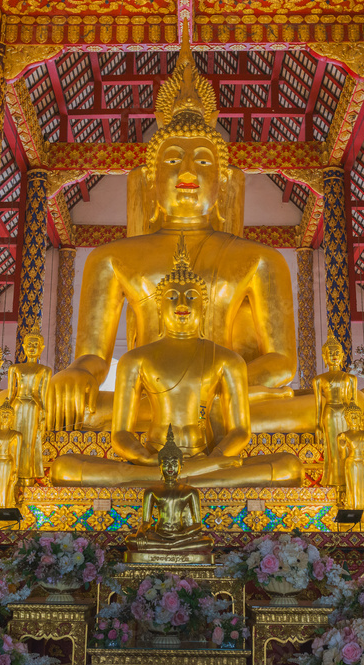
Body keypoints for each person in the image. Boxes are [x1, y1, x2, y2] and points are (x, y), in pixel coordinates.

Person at [48, 24, 299, 433]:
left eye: (202, 161)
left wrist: (211, 386)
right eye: (171, 160)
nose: (186, 172)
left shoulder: (259, 259)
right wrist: (78, 373)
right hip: (146, 401)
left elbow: (281, 364)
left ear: (222, 183)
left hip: (222, 399)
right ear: (150, 181)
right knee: (52, 410)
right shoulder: (111, 258)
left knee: (324, 408)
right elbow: (94, 358)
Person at [50, 238, 302, 487]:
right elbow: (120, 433)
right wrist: (145, 458)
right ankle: (200, 478)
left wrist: (215, 455)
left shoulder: (228, 360)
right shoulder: (135, 360)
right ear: (159, 308)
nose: (182, 304)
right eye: (172, 297)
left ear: (203, 307)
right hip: (157, 456)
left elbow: (242, 429)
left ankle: (155, 478)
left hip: (205, 454)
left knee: (290, 465)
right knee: (64, 461)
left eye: (191, 296)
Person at [125, 426, 214, 559]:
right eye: (166, 463)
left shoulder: (191, 491)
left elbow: (197, 524)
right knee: (130, 540)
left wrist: (181, 535)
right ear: (160, 466)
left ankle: (169, 547)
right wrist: (141, 533)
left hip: (182, 536)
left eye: (174, 463)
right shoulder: (151, 491)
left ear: (181, 466)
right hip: (159, 535)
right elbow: (146, 522)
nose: (170, 467)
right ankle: (172, 547)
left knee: (208, 543)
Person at [313, 334, 361, 488]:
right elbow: (318, 405)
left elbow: (353, 403)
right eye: (330, 353)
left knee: (348, 447)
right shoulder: (319, 379)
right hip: (330, 413)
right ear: (324, 357)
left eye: (337, 353)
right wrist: (318, 425)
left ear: (342, 355)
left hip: (346, 414)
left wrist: (357, 425)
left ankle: (349, 479)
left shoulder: (350, 378)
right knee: (333, 447)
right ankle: (333, 479)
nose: (334, 356)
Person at [4, 331, 51, 486]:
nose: (32, 347)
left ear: (41, 348)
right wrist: (4, 415)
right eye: (29, 344)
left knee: (29, 442)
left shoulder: (45, 370)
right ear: (23, 347)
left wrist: (44, 417)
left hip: (33, 407)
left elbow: (43, 396)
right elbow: (10, 395)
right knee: (14, 442)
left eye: (35, 345)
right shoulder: (14, 368)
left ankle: (27, 477)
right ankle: (12, 476)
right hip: (17, 406)